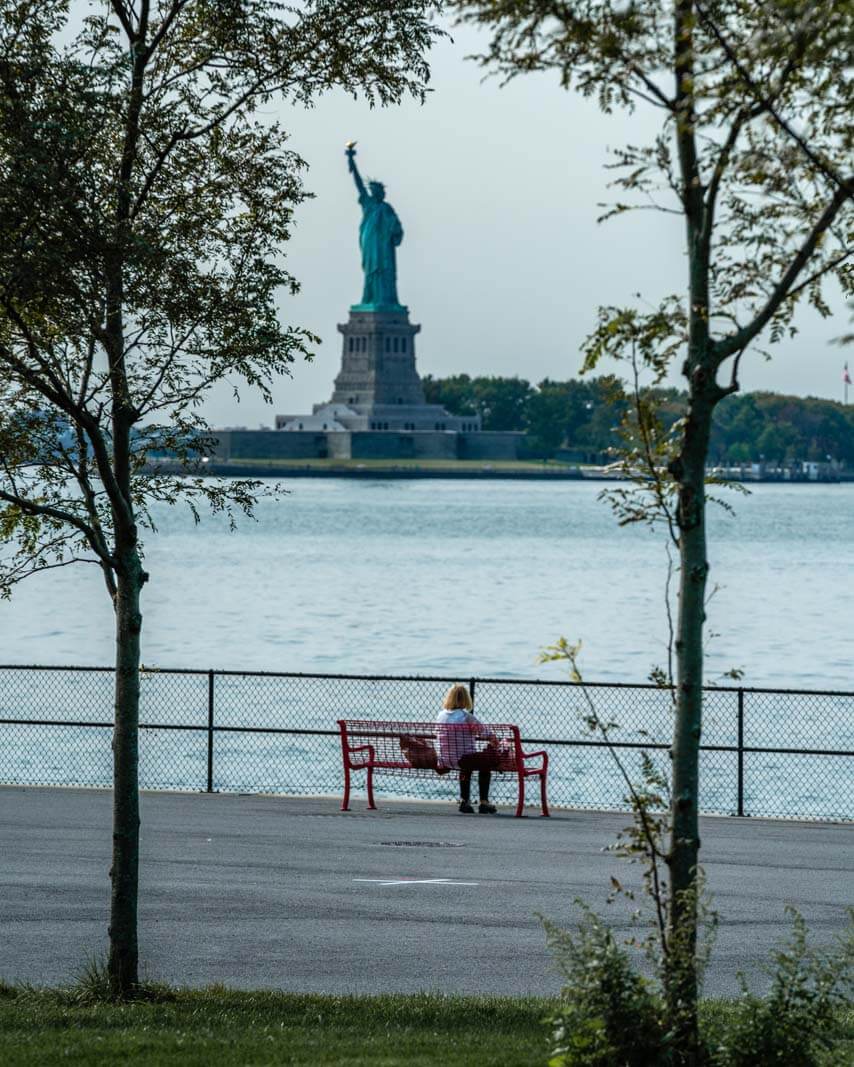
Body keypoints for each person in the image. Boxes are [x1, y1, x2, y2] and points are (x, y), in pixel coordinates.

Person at [436, 683, 498, 815]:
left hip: (445, 759)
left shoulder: (441, 716)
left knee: (466, 762)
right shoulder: (466, 716)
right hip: (464, 759)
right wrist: (493, 739)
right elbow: (484, 732)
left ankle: (465, 800)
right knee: (485, 764)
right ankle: (484, 802)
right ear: (466, 699)